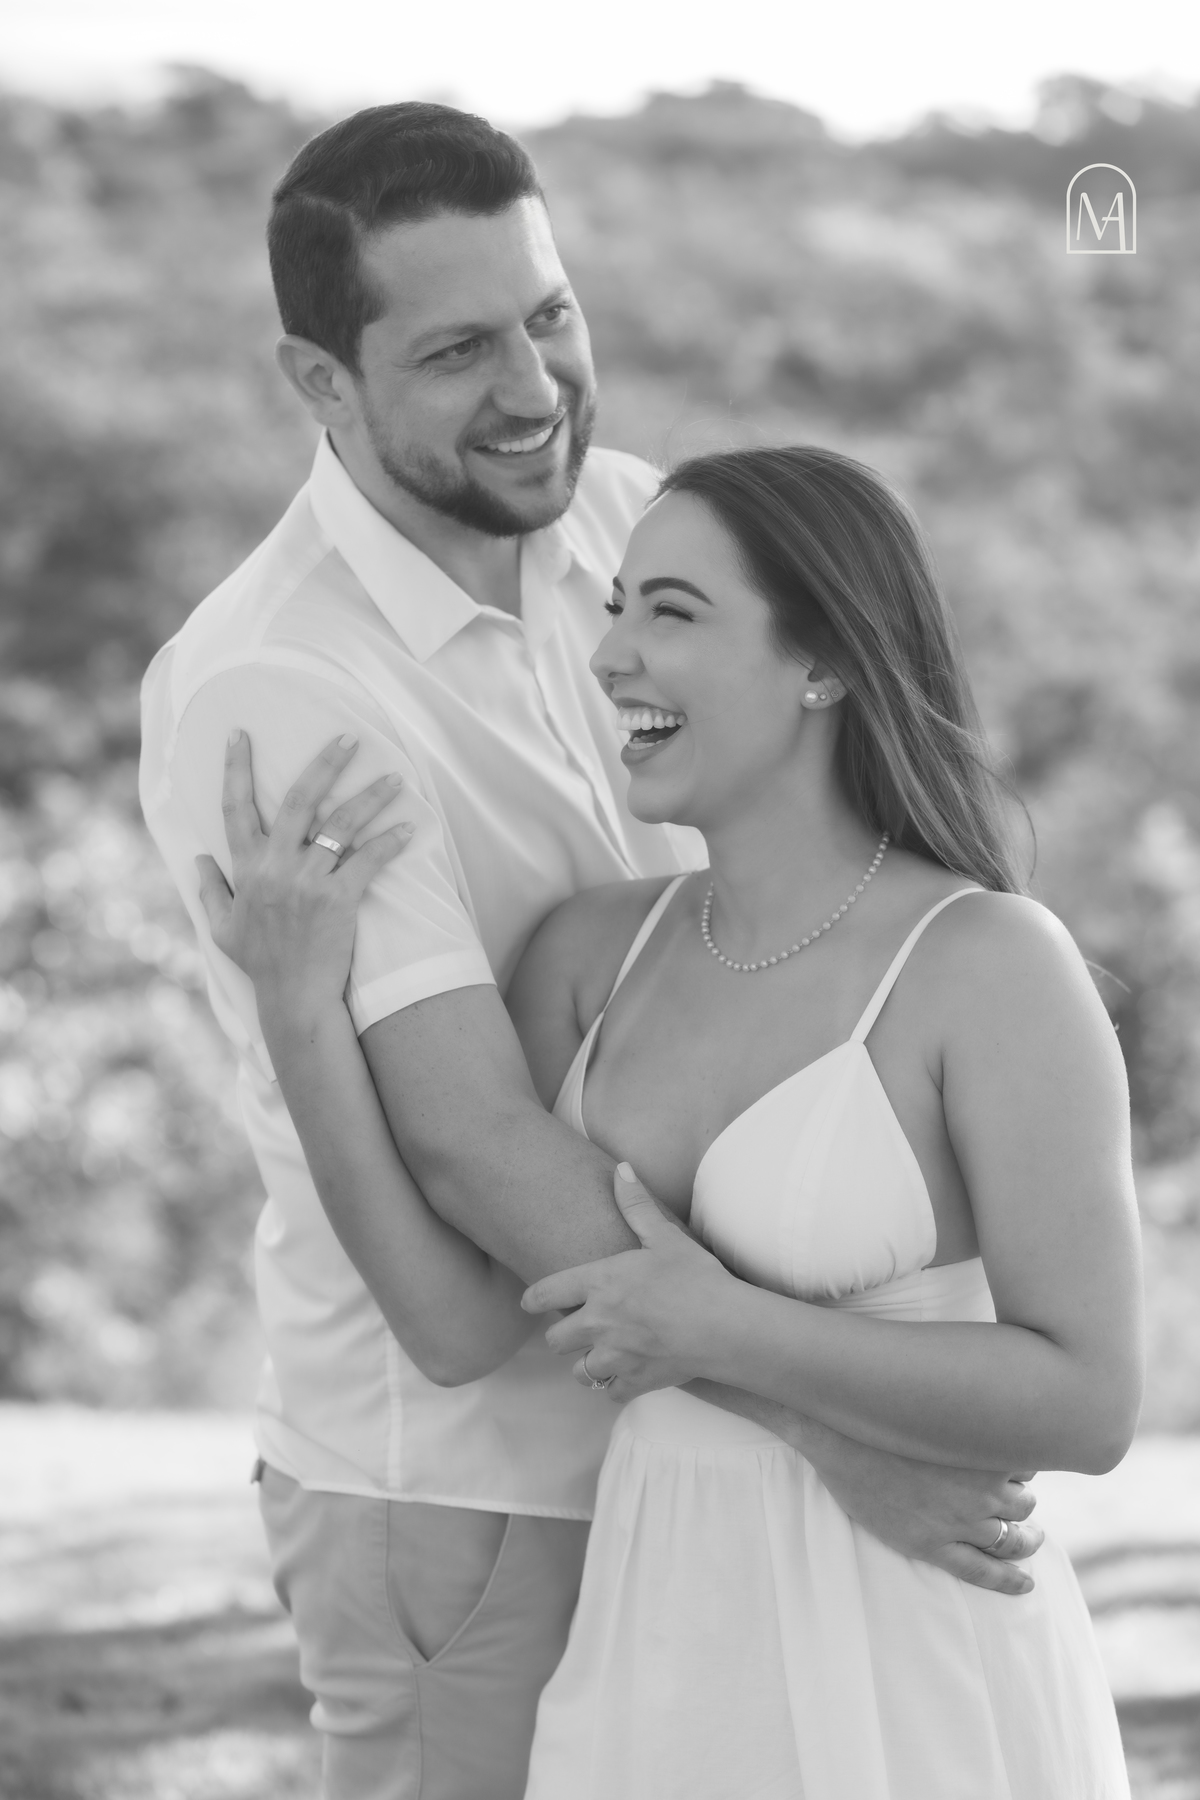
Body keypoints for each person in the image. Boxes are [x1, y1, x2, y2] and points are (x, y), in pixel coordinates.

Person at [143, 101, 1043, 1800]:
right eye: (458, 350)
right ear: (321, 381)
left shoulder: (635, 531)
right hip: (481, 1486)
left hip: (712, 1472)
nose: (534, 386)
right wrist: (839, 1431)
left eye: (549, 314)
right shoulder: (284, 687)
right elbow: (475, 1148)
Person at [200, 446, 1140, 1799]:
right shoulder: (592, 956)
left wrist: (718, 1325)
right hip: (660, 1623)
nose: (613, 656)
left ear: (824, 664)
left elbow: (1090, 1400)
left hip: (916, 1634)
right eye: (617, 608)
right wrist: (300, 1015)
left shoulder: (989, 962)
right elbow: (455, 1326)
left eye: (673, 613)